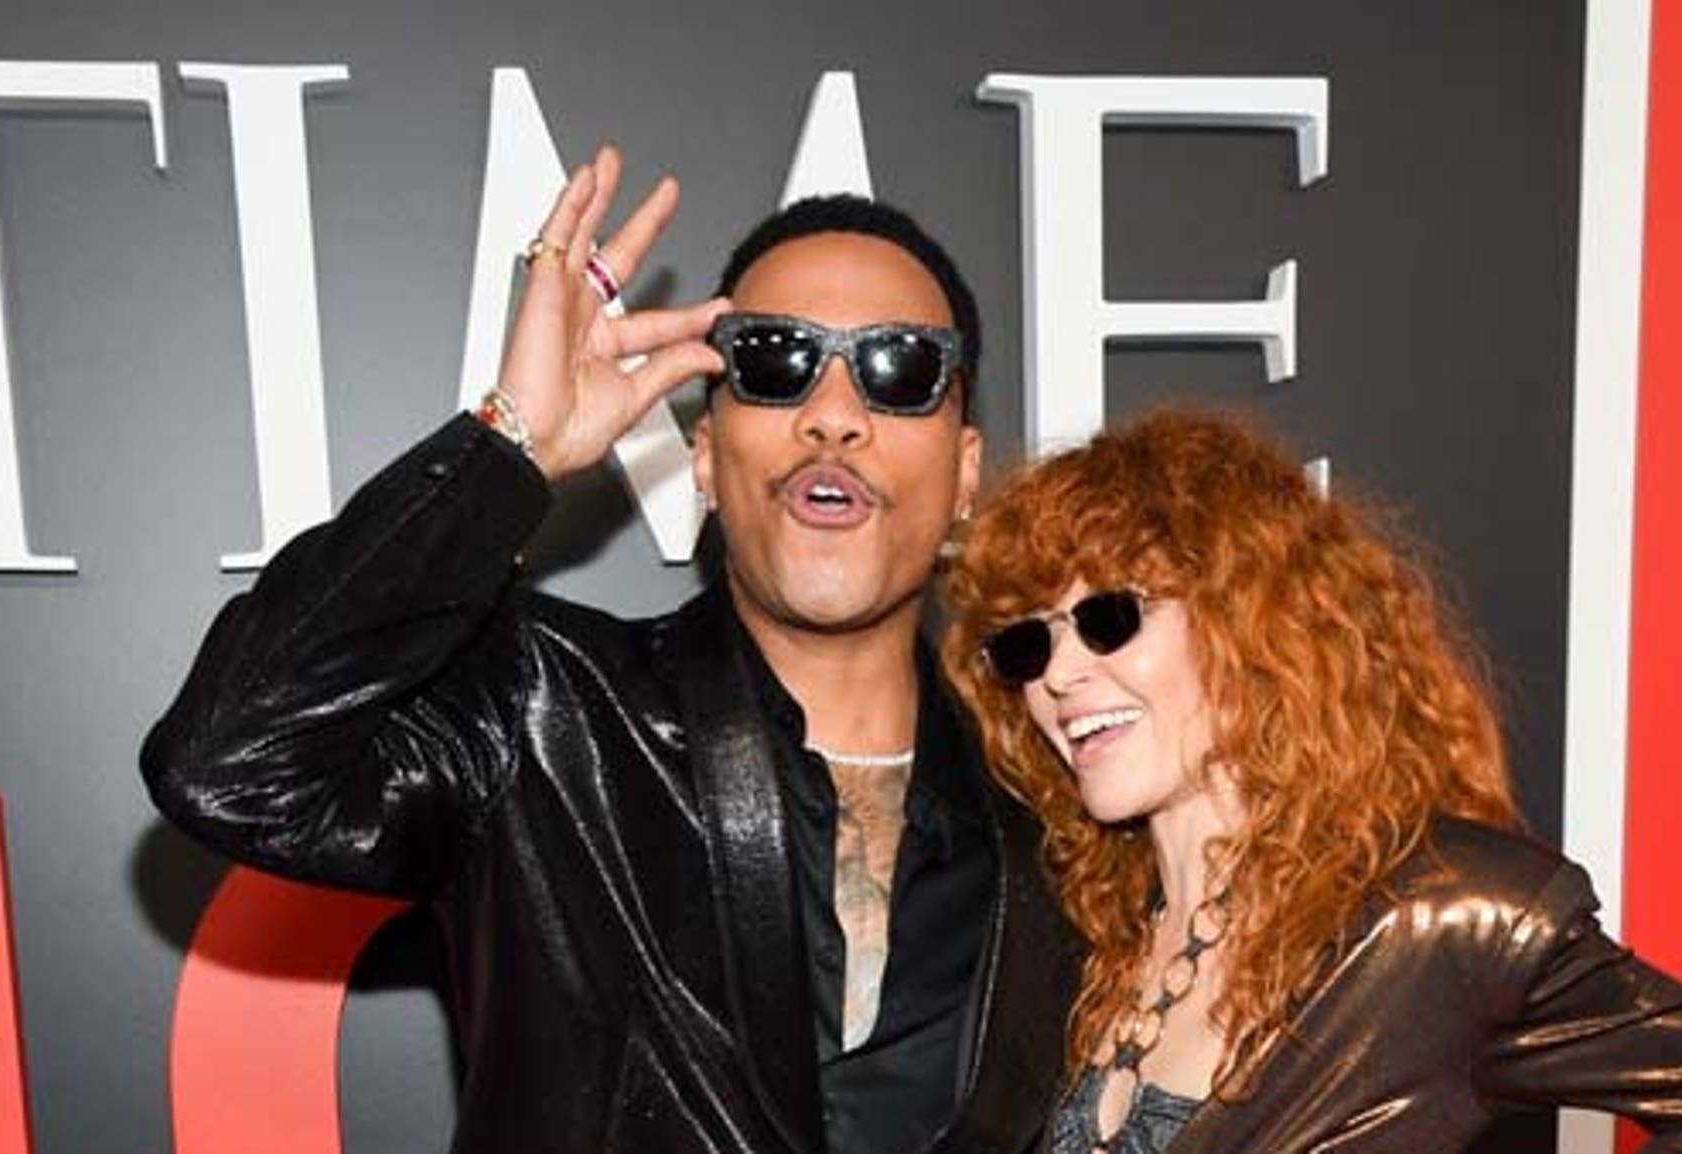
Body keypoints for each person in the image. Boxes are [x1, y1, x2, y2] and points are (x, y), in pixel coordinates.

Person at [142, 146, 1077, 1154]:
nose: (833, 416)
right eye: (774, 361)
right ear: (705, 457)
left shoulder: (1061, 806)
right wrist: (510, 448)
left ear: (966, 473)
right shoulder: (542, 714)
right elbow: (225, 763)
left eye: (900, 370)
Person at [942, 408, 1682, 1154]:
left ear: (1251, 620)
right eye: (1027, 644)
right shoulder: (1089, 928)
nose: (1059, 676)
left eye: (1108, 618)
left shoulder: (1443, 917)